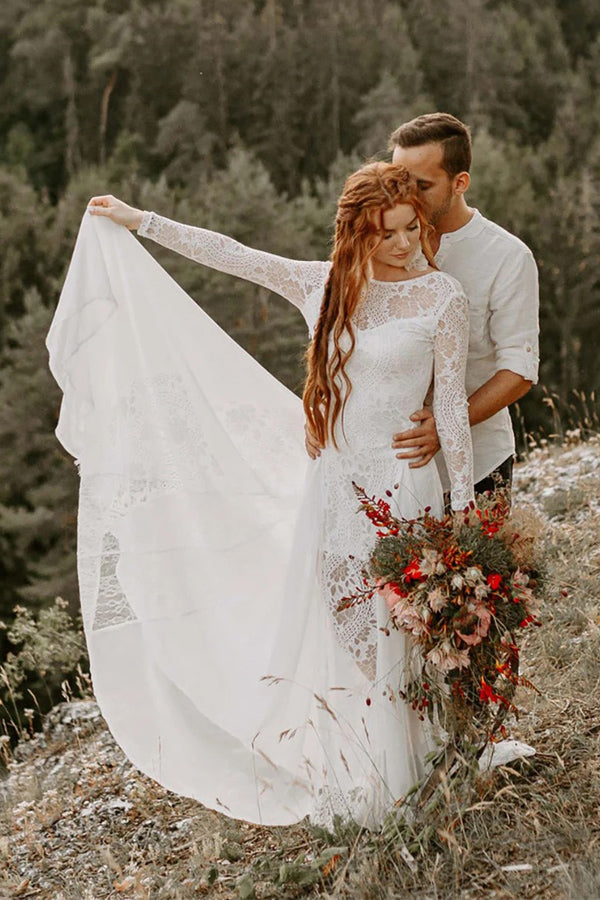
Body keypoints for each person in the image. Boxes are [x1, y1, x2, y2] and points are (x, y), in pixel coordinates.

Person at [48, 162, 474, 830]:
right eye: (386, 232)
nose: (402, 244)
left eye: (410, 228)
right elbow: (233, 256)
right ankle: (376, 766)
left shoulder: (442, 296)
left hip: (404, 487)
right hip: (336, 491)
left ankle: (426, 764)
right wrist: (142, 221)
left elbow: (449, 407)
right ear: (357, 234)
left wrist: (467, 514)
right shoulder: (324, 286)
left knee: (408, 628)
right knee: (349, 629)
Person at [306, 114, 540, 505]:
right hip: (384, 472)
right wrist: (321, 408)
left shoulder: (508, 257)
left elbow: (519, 370)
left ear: (460, 183)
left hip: (479, 465)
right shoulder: (382, 240)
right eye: (400, 179)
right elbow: (346, 332)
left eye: (422, 185)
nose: (405, 194)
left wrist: (446, 425)